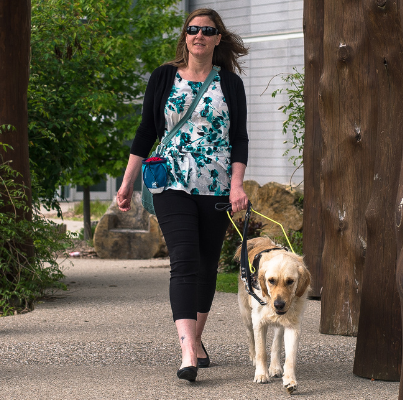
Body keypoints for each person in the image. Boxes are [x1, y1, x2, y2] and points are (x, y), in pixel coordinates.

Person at [114, 8, 250, 383]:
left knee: (207, 265)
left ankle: (197, 339)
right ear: (185, 36)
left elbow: (239, 138)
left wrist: (237, 184)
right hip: (171, 180)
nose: (199, 35)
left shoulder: (230, 84)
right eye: (193, 29)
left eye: (208, 30)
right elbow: (145, 132)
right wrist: (126, 183)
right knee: (185, 261)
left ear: (218, 39)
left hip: (216, 184)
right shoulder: (163, 77)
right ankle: (187, 351)